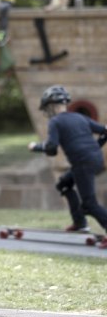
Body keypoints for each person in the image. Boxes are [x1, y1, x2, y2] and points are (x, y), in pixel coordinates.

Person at [28, 85, 107, 248]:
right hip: (95, 160)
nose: (47, 112)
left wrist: (35, 146)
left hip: (82, 163)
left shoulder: (55, 122)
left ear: (51, 106)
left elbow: (51, 148)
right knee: (64, 184)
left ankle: (87, 220)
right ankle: (80, 223)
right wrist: (94, 148)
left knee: (89, 204)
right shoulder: (79, 117)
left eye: (47, 108)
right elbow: (105, 131)